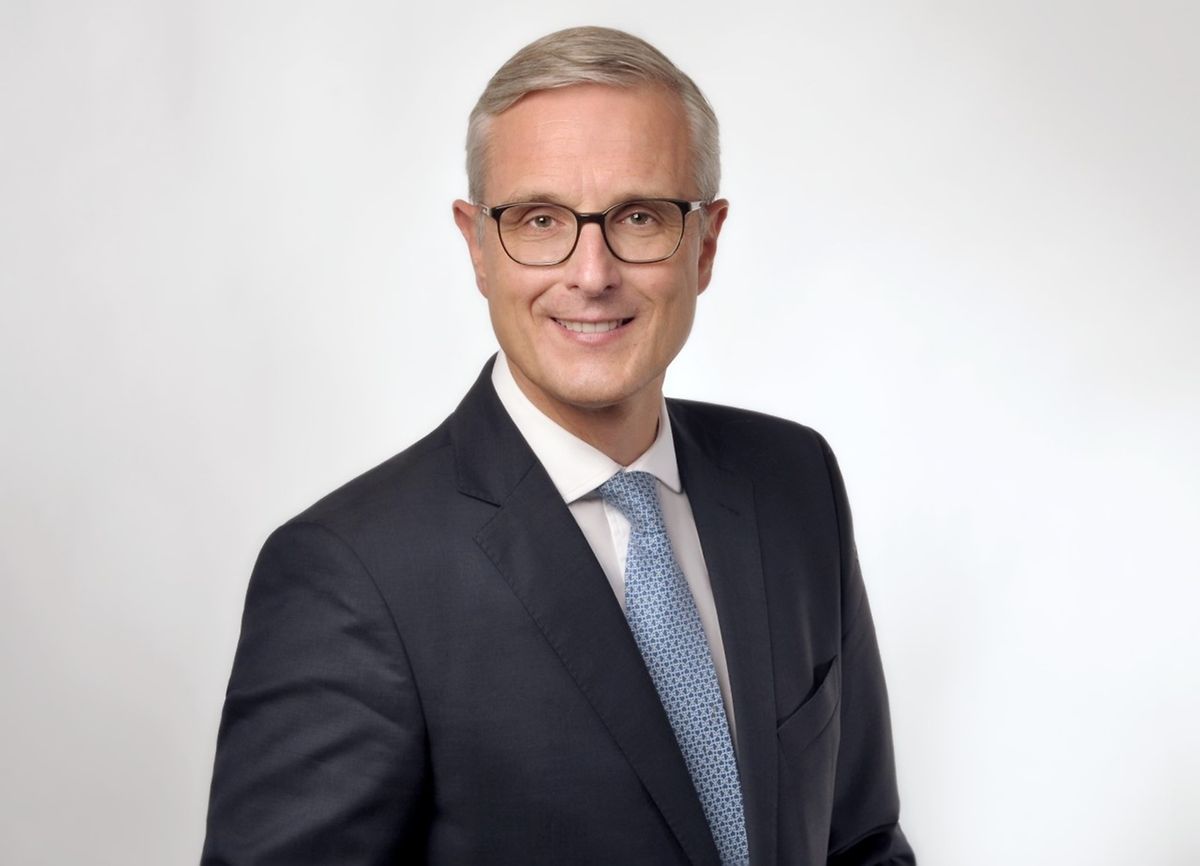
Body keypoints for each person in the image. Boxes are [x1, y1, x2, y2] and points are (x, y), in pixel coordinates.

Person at [201, 25, 915, 866]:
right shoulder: (351, 575)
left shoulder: (794, 483)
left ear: (706, 244)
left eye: (639, 217)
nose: (592, 273)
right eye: (540, 220)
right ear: (477, 246)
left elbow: (862, 843)